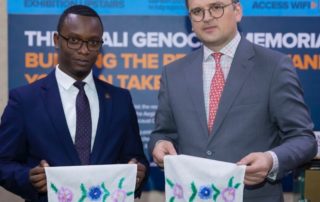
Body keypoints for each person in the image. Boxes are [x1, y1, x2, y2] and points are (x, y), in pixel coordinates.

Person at [149, 0, 317, 201]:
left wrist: (271, 161)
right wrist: (159, 144)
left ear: (237, 11)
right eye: (197, 11)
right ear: (191, 21)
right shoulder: (173, 73)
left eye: (216, 7)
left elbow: (304, 139)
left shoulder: (274, 66)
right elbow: (163, 133)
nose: (207, 17)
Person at [0, 5, 148, 201]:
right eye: (74, 40)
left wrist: (138, 174)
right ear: (56, 40)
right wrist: (28, 178)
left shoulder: (120, 100)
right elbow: (3, 163)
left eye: (93, 42)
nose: (84, 50)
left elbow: (135, 158)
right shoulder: (25, 100)